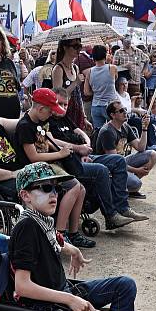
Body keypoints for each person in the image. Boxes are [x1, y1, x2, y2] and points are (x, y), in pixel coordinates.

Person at [9, 162, 137, 311]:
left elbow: (53, 241)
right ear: (25, 195)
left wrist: (73, 250)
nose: (54, 194)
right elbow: (22, 286)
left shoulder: (42, 221)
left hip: (62, 291)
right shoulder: (27, 227)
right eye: (46, 188)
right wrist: (70, 300)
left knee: (125, 285)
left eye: (56, 189)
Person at [48, 88, 140, 229]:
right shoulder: (48, 120)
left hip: (83, 155)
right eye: (60, 104)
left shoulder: (64, 117)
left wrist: (85, 147)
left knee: (118, 160)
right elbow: (52, 141)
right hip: (68, 162)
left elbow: (82, 132)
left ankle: (123, 208)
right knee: (101, 170)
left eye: (66, 104)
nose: (63, 108)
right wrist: (79, 149)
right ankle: (111, 216)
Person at [15, 88, 95, 248]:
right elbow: (33, 157)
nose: (52, 114)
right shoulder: (25, 126)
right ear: (40, 108)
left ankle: (73, 232)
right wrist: (61, 154)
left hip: (45, 167)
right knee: (74, 187)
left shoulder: (41, 122)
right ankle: (60, 233)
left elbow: (48, 143)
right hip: (33, 170)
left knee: (82, 189)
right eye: (50, 110)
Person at [97, 100, 156, 199]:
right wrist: (137, 170)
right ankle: (118, 188)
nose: (125, 112)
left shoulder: (125, 126)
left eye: (125, 109)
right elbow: (113, 162)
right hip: (108, 168)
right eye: (121, 111)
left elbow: (140, 147)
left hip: (121, 162)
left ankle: (125, 187)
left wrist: (144, 128)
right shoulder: (107, 132)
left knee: (153, 155)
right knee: (136, 184)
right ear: (112, 115)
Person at [51, 39, 88, 132]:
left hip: (77, 113)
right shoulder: (58, 69)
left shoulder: (75, 67)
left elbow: (79, 95)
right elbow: (57, 98)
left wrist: (84, 117)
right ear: (65, 47)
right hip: (64, 115)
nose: (78, 50)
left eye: (80, 46)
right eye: (75, 46)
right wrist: (75, 83)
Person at [84, 45, 118, 129]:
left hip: (96, 106)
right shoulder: (112, 68)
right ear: (105, 55)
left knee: (98, 133)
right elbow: (115, 79)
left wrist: (96, 92)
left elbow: (86, 92)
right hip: (111, 106)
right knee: (116, 130)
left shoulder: (89, 71)